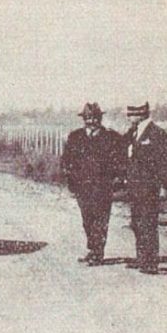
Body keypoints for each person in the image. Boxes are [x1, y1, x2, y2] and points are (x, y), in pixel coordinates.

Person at [61, 103, 124, 266]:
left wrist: (116, 180)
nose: (91, 121)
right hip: (82, 187)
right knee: (87, 219)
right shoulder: (75, 137)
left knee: (101, 219)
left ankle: (98, 252)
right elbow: (67, 161)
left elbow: (119, 161)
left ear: (100, 119)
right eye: (88, 118)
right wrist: (70, 182)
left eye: (95, 118)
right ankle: (92, 248)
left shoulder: (111, 137)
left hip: (102, 186)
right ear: (83, 119)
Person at [124, 102, 167, 274]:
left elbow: (165, 162)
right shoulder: (133, 132)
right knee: (137, 222)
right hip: (134, 187)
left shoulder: (157, 133)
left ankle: (150, 262)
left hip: (150, 187)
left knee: (148, 222)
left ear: (141, 114)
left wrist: (165, 186)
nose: (128, 117)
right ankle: (141, 258)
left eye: (131, 114)